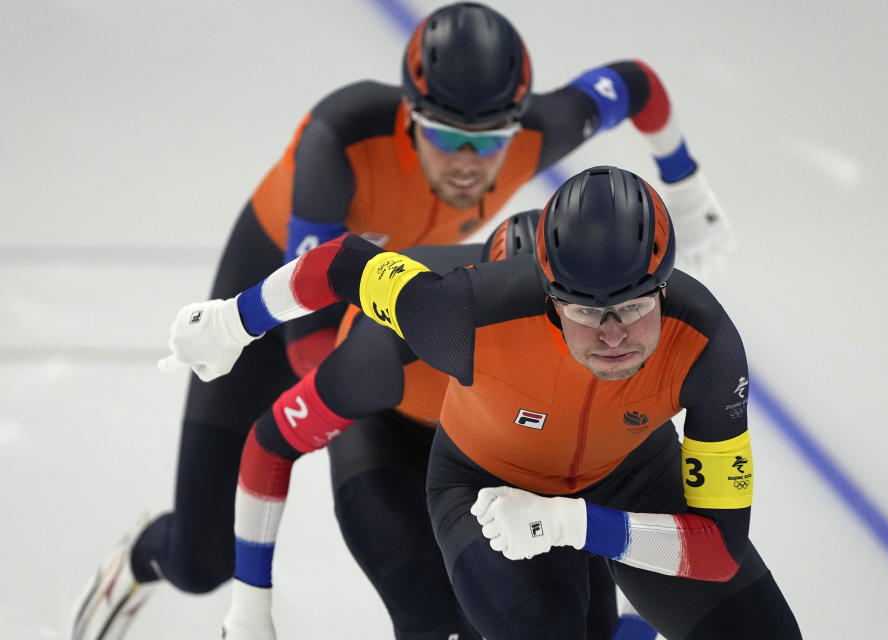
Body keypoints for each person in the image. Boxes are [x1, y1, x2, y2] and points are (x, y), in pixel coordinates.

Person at [72, 2, 732, 638]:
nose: (471, 164)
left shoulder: (539, 139)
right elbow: (316, 343)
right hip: (301, 313)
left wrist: (686, 185)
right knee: (202, 560)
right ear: (408, 117)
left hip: (408, 318)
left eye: (491, 141)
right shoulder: (343, 139)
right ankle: (142, 558)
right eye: (447, 135)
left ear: (518, 127)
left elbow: (635, 84)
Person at [161, 165, 801, 639]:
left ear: (666, 287)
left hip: (629, 469)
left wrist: (571, 523)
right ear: (547, 295)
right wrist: (230, 323)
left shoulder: (708, 345)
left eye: (633, 307)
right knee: (490, 623)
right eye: (585, 310)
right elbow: (342, 264)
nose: (612, 336)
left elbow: (717, 550)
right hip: (487, 486)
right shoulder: (459, 315)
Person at [223, 211, 635, 640]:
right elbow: (270, 444)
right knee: (431, 618)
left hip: (507, 447)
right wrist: (249, 604)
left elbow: (653, 501)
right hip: (391, 435)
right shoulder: (391, 350)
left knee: (583, 626)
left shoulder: (612, 348)